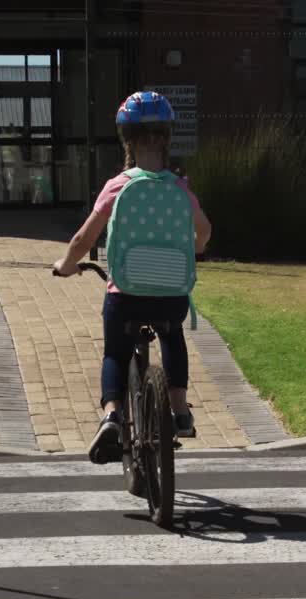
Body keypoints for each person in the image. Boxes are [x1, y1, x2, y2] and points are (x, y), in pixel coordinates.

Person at [52, 91, 213, 469]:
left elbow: (83, 240)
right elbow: (204, 231)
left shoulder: (117, 186)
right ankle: (178, 408)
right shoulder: (179, 188)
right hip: (171, 293)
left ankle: (111, 415)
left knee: (115, 352)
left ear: (127, 139)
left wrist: (66, 263)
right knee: (172, 335)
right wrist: (197, 248)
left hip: (125, 293)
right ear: (166, 139)